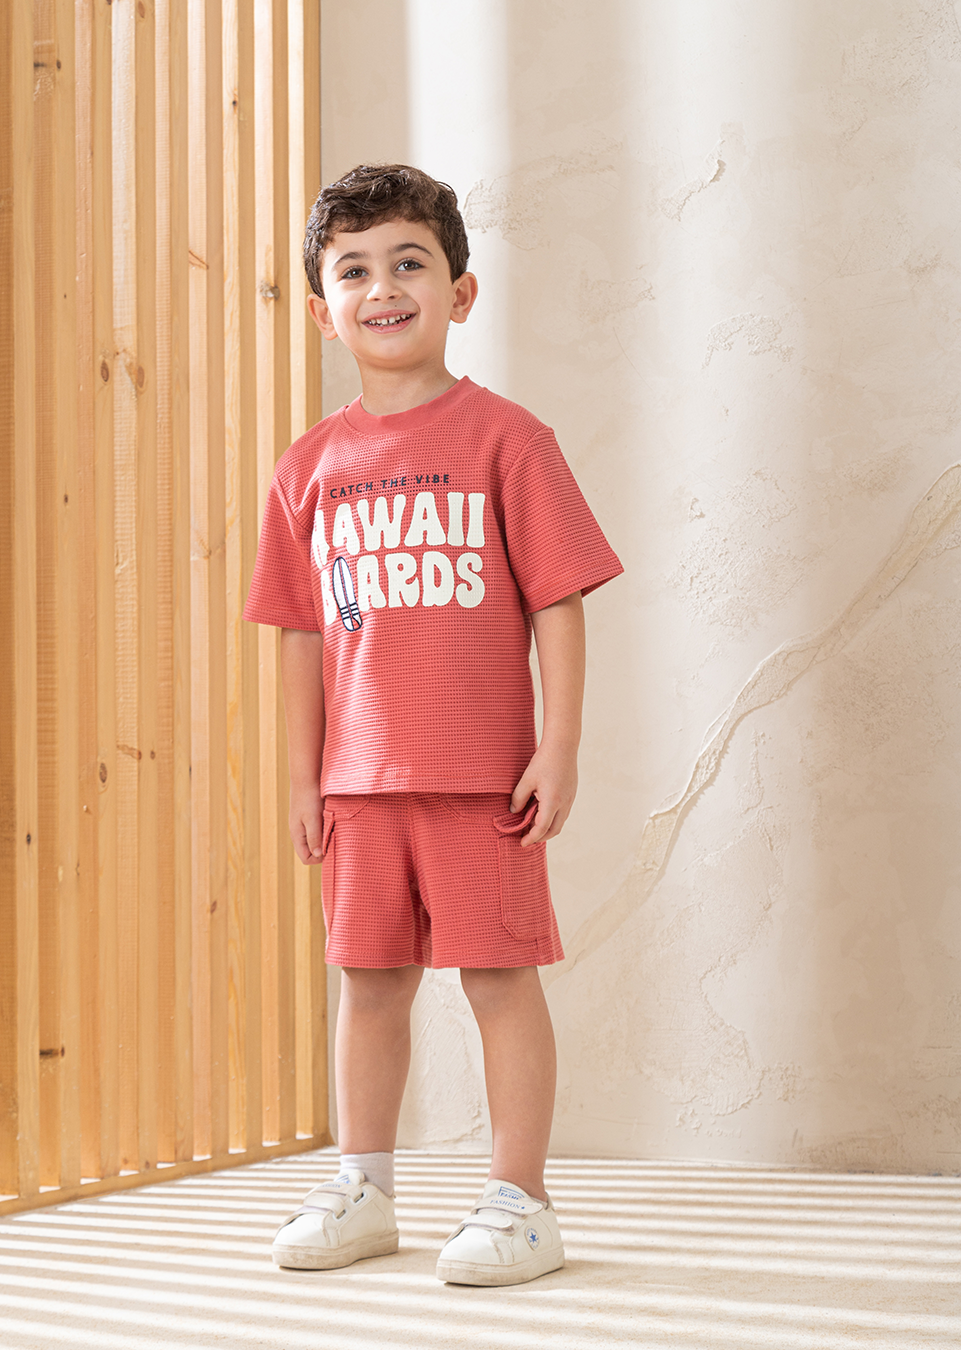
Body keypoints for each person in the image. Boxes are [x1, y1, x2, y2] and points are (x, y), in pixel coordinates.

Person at [242, 163, 622, 1286]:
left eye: (409, 263)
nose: (383, 287)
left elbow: (557, 601)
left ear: (459, 291)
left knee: (499, 980)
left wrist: (560, 746)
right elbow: (299, 635)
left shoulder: (510, 439)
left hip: (481, 779)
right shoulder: (307, 468)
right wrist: (303, 776)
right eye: (353, 270)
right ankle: (363, 1188)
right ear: (325, 311)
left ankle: (521, 1201)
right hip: (358, 788)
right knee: (368, 985)